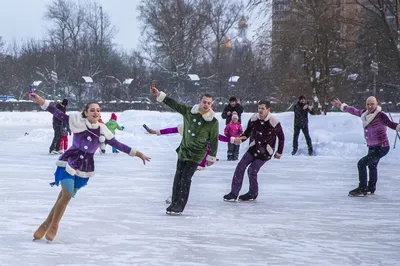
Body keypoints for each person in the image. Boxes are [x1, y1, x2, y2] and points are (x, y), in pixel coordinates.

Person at [29, 92, 150, 241]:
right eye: (92, 110)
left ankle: (46, 223)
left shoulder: (102, 130)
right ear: (85, 113)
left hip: (84, 167)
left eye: (98, 110)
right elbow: (57, 112)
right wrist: (40, 101)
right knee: (66, 195)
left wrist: (138, 154)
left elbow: (118, 145)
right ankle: (54, 225)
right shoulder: (76, 122)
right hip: (69, 161)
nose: (96, 112)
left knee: (63, 196)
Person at [150, 87, 219, 215]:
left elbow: (214, 140)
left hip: (196, 154)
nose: (206, 105)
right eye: (204, 102)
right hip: (184, 151)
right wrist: (160, 95)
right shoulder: (189, 111)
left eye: (209, 103)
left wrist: (212, 156)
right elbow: (175, 104)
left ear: (211, 105)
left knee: (186, 178)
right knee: (178, 177)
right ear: (200, 101)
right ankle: (174, 203)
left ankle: (180, 206)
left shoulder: (213, 122)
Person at [331, 96, 400, 196]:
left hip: (382, 147)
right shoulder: (364, 114)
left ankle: (362, 188)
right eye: (368, 104)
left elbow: (391, 124)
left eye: (372, 104)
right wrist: (341, 106)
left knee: (361, 164)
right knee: (372, 166)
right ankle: (371, 187)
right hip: (372, 146)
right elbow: (354, 110)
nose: (370, 106)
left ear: (376, 104)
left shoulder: (381, 116)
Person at [223, 100, 285, 201]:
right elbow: (247, 133)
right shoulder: (254, 118)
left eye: (263, 108)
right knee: (240, 166)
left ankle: (252, 193)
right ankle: (234, 193)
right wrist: (240, 139)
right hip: (253, 148)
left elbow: (281, 137)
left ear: (268, 109)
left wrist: (279, 152)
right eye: (259, 108)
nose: (260, 110)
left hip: (265, 152)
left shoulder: (274, 122)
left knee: (252, 170)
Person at [145, 124, 235, 170]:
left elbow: (217, 137)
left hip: (198, 158)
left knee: (185, 178)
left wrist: (233, 140)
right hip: (186, 155)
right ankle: (176, 196)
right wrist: (156, 131)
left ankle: (177, 196)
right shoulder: (187, 126)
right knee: (181, 177)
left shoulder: (205, 129)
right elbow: (173, 130)